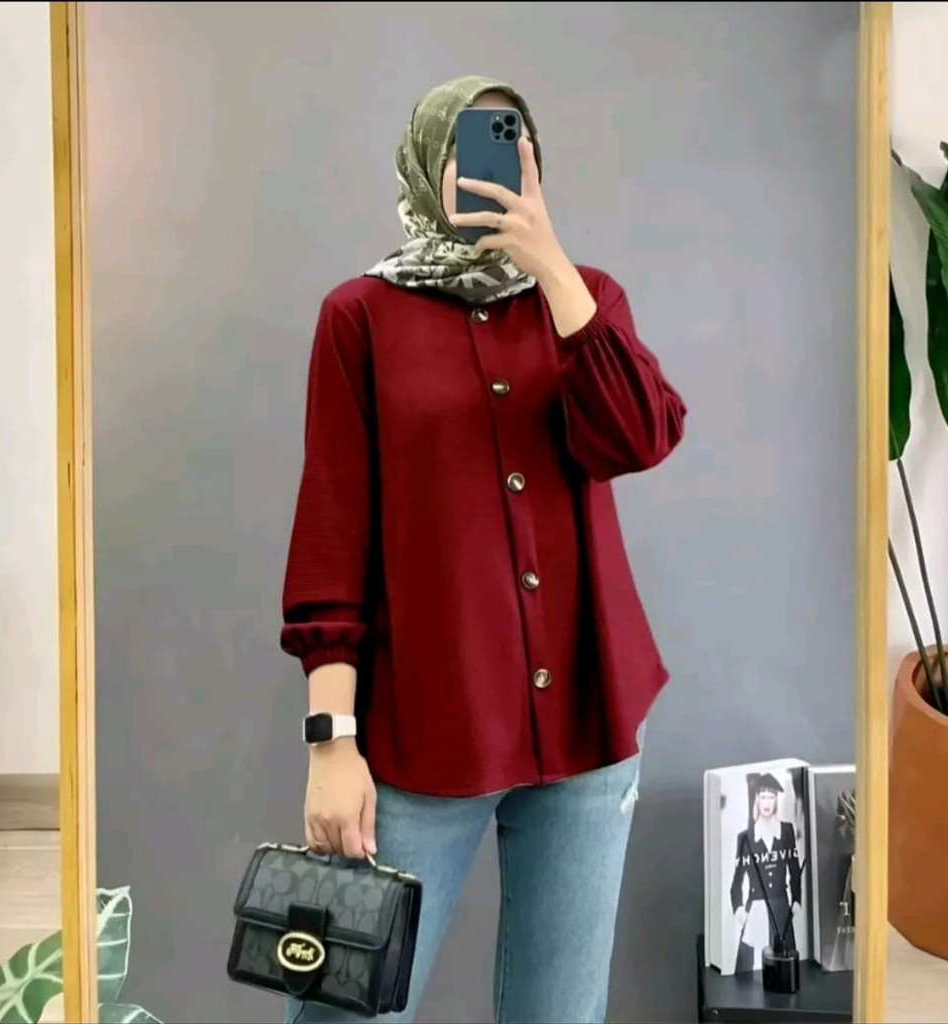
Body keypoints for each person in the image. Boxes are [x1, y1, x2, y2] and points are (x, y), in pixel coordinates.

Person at [279, 74, 687, 1024]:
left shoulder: (586, 300)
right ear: (428, 162)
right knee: (348, 1011)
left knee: (560, 1014)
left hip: (586, 729)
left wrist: (552, 267)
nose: (489, 170)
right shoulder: (359, 317)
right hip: (427, 734)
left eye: (510, 144)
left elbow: (639, 435)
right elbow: (332, 538)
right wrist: (331, 744)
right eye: (467, 148)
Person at [729, 773, 803, 974]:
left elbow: (794, 869)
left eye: (771, 797)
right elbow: (737, 881)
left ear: (776, 800)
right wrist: (738, 908)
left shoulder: (786, 831)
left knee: (785, 969)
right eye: (763, 797)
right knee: (747, 971)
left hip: (781, 907)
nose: (767, 802)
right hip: (755, 908)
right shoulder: (745, 837)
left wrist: (796, 899)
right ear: (757, 799)